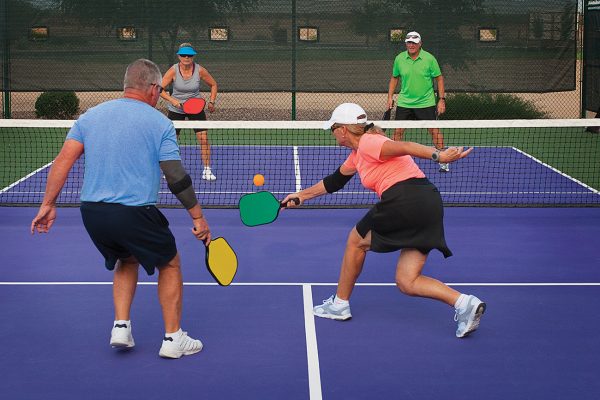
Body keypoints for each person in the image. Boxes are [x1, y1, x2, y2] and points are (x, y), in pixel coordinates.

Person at [30, 59, 211, 359]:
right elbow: (176, 176)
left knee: (127, 260)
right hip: (134, 212)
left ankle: (121, 327)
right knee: (170, 263)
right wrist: (199, 217)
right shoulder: (160, 123)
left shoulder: (91, 116)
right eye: (160, 90)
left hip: (92, 213)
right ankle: (173, 338)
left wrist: (48, 204)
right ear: (154, 89)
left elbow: (63, 160)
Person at [282, 103, 486, 338]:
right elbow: (335, 181)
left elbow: (406, 146)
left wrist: (439, 155)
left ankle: (339, 304)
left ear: (344, 130)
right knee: (407, 281)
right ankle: (465, 303)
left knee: (355, 241)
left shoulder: (370, 142)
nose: (332, 133)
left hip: (405, 199)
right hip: (427, 204)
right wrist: (301, 196)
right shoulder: (358, 154)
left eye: (333, 128)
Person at [387, 31, 449, 172]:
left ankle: (443, 160)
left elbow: (439, 78)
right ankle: (394, 160)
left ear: (420, 44)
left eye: (414, 42)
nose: (411, 45)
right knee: (397, 132)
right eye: (409, 42)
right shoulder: (399, 59)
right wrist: (390, 97)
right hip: (404, 103)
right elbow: (394, 78)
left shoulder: (429, 59)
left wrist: (441, 99)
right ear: (406, 44)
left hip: (426, 102)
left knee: (434, 131)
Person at [160, 43, 219, 181]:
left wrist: (212, 101)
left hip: (195, 108)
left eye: (189, 55)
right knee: (172, 140)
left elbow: (214, 84)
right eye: (183, 55)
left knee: (203, 139)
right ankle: (170, 169)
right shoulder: (173, 70)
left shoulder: (200, 70)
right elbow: (159, 89)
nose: (186, 57)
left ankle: (207, 170)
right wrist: (173, 101)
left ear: (193, 56)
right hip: (176, 109)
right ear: (179, 56)